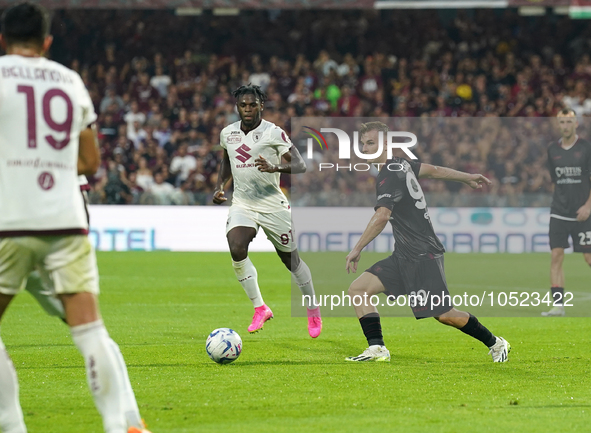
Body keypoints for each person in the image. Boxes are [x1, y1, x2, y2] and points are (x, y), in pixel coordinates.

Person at [0, 4, 150, 433]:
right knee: (89, 330)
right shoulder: (70, 81)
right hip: (66, 220)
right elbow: (89, 161)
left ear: (2, 40)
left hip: (8, 221)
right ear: (47, 42)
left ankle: (13, 427)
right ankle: (120, 424)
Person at [344, 122, 510, 362]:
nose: (365, 148)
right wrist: (466, 178)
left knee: (444, 315)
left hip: (422, 255)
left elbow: (382, 215)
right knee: (358, 290)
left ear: (386, 144)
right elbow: (434, 170)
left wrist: (357, 249)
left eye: (371, 143)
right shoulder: (401, 164)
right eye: (363, 144)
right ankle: (377, 349)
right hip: (403, 255)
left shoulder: (389, 174)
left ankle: (496, 343)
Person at [213, 84, 322, 338]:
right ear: (237, 107)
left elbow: (300, 165)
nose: (248, 109)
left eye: (252, 104)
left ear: (261, 105)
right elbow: (227, 160)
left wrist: (275, 167)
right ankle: (260, 307)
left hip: (273, 205)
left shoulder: (273, 133)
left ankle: (313, 307)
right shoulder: (228, 134)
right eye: (243, 105)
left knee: (291, 261)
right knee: (236, 247)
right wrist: (220, 186)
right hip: (243, 203)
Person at [543, 108, 591, 317]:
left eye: (568, 122)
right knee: (556, 256)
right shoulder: (552, 149)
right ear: (558, 124)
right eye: (561, 122)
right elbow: (556, 180)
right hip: (559, 212)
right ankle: (558, 306)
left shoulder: (586, 147)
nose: (565, 126)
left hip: (584, 213)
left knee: (589, 258)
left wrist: (589, 206)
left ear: (576, 124)